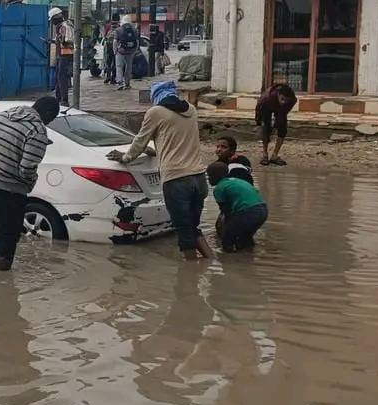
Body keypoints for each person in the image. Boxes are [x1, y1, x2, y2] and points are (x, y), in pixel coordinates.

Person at [109, 79, 213, 260]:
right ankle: (211, 263)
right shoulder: (191, 110)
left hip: (176, 180)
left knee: (184, 231)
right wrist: (156, 151)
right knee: (193, 227)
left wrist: (125, 157)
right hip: (199, 178)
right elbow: (177, 140)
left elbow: (140, 140)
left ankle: (190, 273)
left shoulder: (156, 112)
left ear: (156, 96)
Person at [0, 95, 61, 272]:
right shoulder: (37, 130)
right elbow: (27, 168)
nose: (48, 123)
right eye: (51, 119)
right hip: (8, 185)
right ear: (47, 113)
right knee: (11, 231)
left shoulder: (4, 115)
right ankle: (2, 278)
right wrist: (29, 184)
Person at [207, 161, 268, 252]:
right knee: (245, 238)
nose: (208, 179)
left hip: (247, 212)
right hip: (263, 210)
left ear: (216, 176)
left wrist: (225, 230)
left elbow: (226, 212)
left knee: (227, 240)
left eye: (209, 176)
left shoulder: (219, 188)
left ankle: (228, 259)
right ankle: (248, 256)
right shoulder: (237, 181)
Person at [256, 83, 297, 166]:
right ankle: (265, 154)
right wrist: (258, 123)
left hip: (279, 109)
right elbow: (258, 110)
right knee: (266, 128)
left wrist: (276, 125)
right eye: (282, 99)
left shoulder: (292, 100)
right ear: (278, 94)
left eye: (286, 100)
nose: (283, 102)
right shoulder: (266, 98)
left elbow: (283, 113)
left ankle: (274, 155)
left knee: (282, 128)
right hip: (266, 106)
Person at [48, 7, 75, 106]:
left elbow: (67, 40)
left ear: (56, 17)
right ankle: (59, 97)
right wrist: (53, 41)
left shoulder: (63, 26)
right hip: (63, 54)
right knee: (59, 76)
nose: (53, 22)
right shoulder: (65, 25)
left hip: (66, 54)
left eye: (53, 20)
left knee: (62, 77)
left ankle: (64, 99)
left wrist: (58, 40)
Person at [113, 15, 140, 91]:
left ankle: (120, 83)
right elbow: (137, 42)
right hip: (130, 51)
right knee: (129, 67)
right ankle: (127, 83)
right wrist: (134, 50)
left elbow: (115, 42)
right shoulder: (134, 30)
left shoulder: (118, 30)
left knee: (119, 67)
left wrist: (115, 50)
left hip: (120, 51)